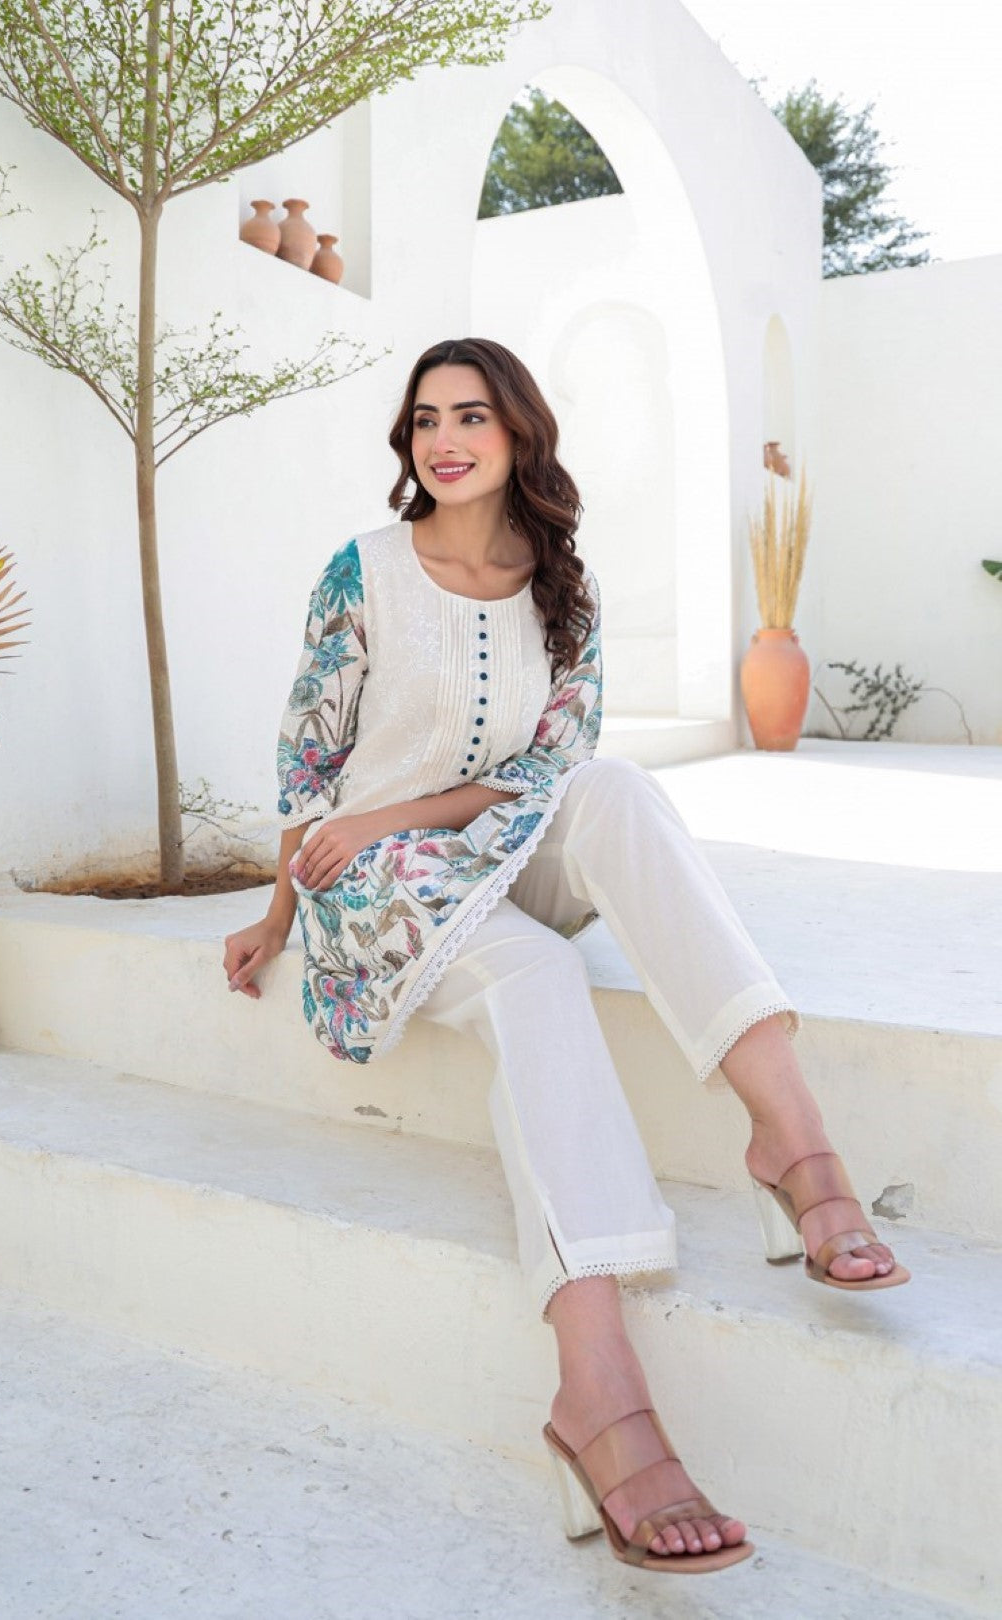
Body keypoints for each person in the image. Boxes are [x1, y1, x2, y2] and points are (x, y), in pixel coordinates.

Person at [222, 337, 910, 1577]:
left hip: (492, 844)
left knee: (616, 789)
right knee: (539, 975)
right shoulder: (363, 571)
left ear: (518, 433)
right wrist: (278, 917)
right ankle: (597, 1390)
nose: (444, 439)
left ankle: (794, 1143)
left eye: (471, 416)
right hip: (370, 884)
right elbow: (307, 768)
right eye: (425, 419)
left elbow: (552, 771)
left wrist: (414, 811)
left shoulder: (564, 588)